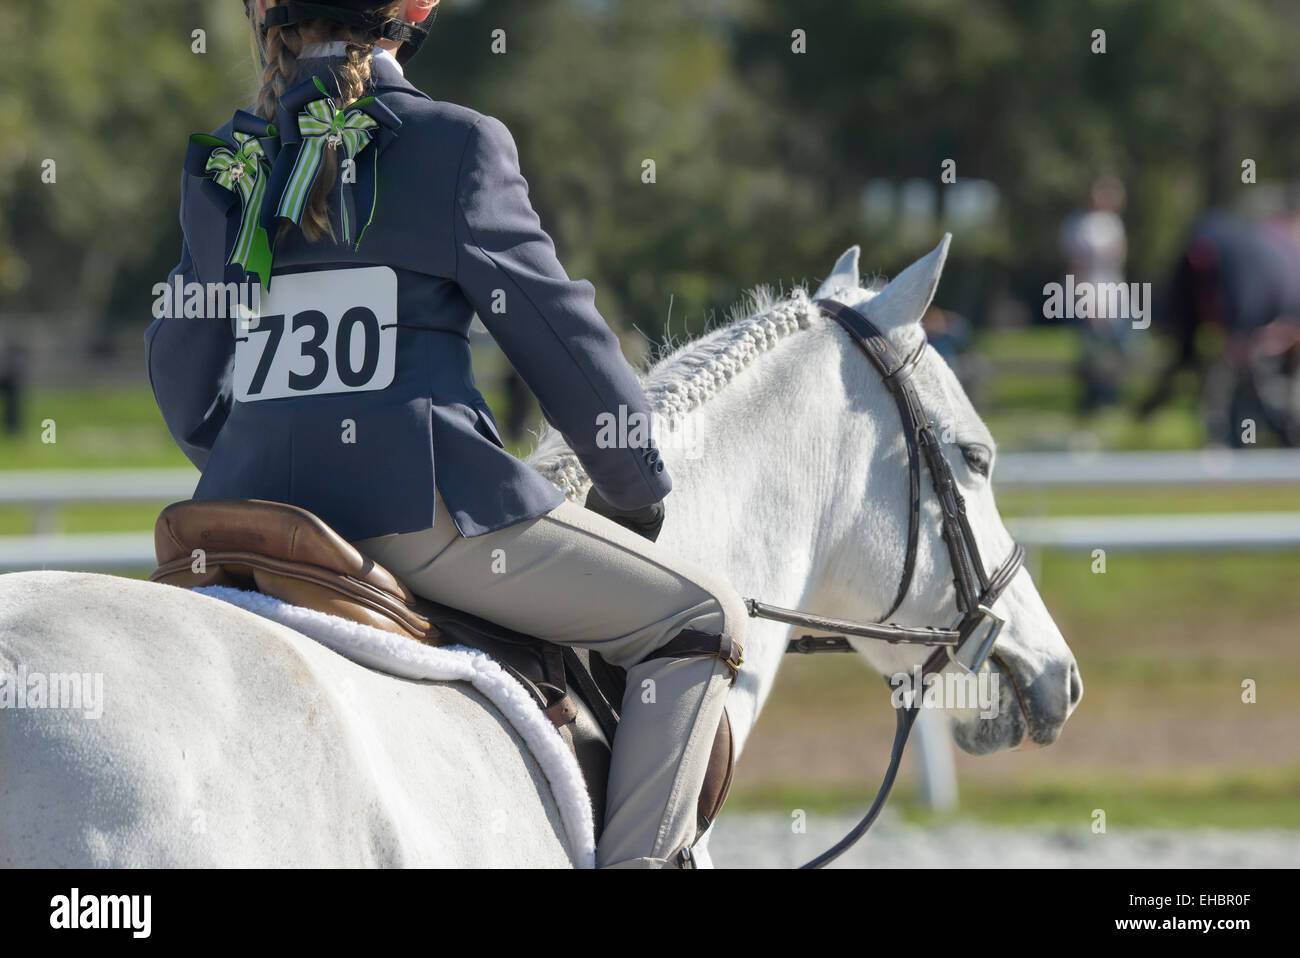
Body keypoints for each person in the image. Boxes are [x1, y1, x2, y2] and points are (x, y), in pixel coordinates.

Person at [144, 0, 745, 868]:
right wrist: (637, 486)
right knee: (701, 614)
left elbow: (183, 390)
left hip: (240, 512)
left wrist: (264, 450)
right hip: (415, 513)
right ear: (409, 16)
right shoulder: (456, 145)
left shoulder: (232, 163)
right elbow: (566, 344)